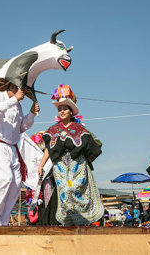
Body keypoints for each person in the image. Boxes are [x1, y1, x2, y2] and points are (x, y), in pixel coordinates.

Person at [38, 84, 104, 226]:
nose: (62, 111)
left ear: (71, 111)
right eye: (59, 109)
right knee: (65, 191)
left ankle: (82, 220)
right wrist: (41, 165)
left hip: (77, 165)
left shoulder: (79, 129)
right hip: (60, 166)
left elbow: (93, 146)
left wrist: (85, 160)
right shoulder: (53, 130)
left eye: (65, 109)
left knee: (76, 188)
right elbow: (49, 149)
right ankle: (69, 221)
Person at [0, 83, 39, 226]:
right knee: (4, 179)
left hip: (11, 147)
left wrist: (31, 113)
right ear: (13, 86)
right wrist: (14, 99)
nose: (24, 92)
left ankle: (4, 220)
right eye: (22, 88)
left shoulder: (18, 106)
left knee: (16, 183)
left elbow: (21, 128)